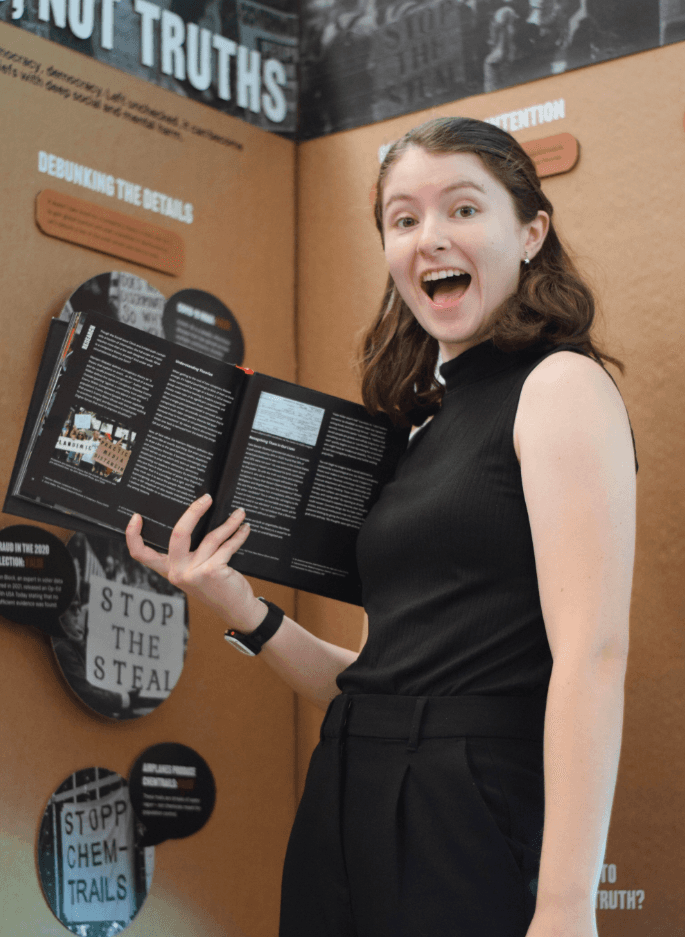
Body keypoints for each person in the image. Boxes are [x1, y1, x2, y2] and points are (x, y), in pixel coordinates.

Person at [126, 116, 637, 937]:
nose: (429, 237)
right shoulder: (419, 429)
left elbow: (593, 656)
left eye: (462, 209)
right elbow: (372, 684)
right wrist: (236, 602)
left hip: (467, 811)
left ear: (531, 231)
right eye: (402, 220)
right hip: (346, 795)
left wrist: (566, 902)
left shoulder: (559, 385)